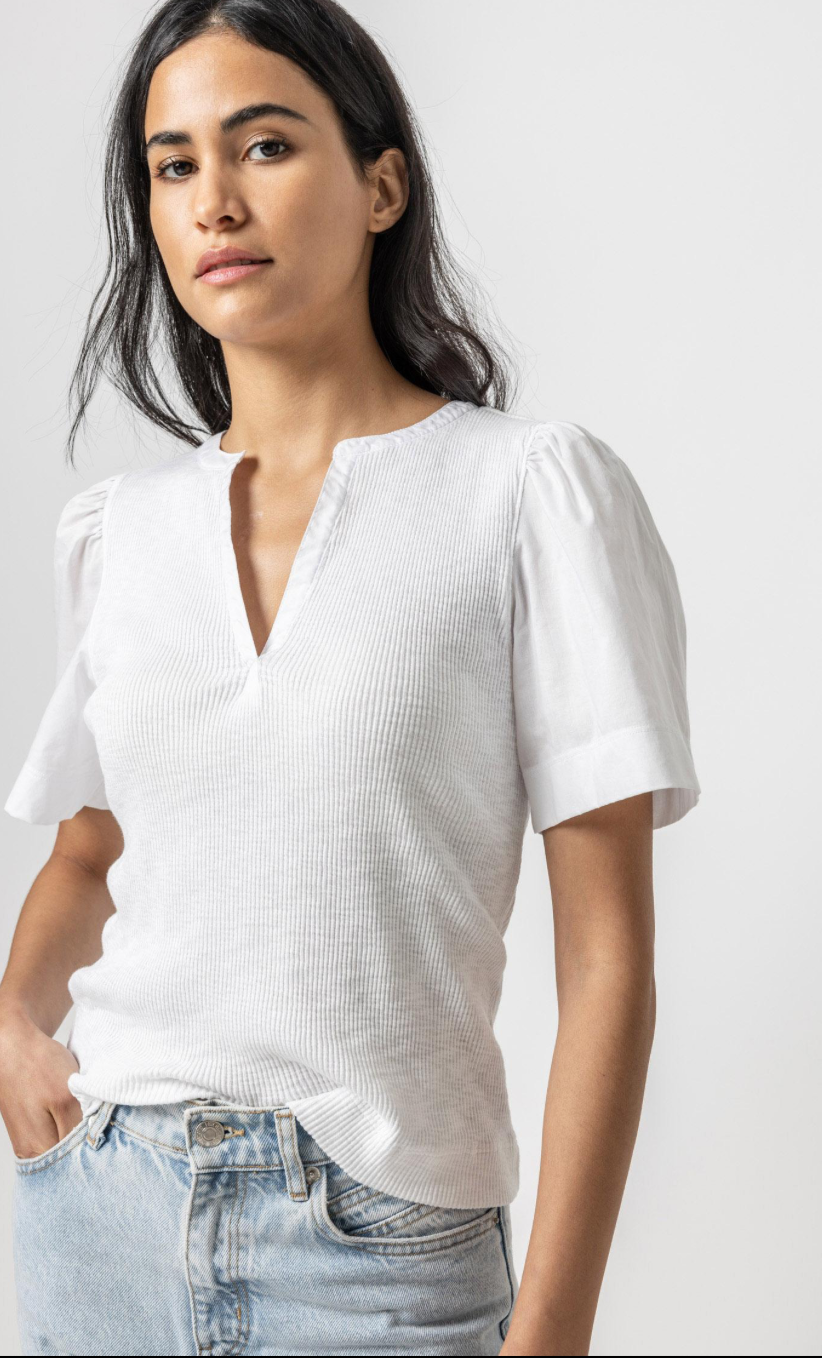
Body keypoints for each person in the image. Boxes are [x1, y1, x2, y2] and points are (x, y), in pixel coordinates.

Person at [0, 2, 700, 1355]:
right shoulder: (119, 534)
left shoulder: (525, 495)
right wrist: (14, 1021)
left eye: (264, 145)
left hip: (374, 1240)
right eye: (173, 164)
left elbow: (607, 956)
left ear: (382, 186)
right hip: (102, 1223)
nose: (215, 200)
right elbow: (91, 851)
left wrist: (551, 1333)